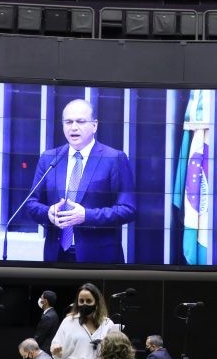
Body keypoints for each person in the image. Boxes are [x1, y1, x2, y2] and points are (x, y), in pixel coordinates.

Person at [26, 99, 137, 264]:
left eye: (80, 121)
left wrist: (86, 216)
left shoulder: (114, 158)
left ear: (95, 125)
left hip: (99, 258)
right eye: (68, 122)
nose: (74, 127)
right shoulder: (49, 158)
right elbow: (31, 204)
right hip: (56, 256)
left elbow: (128, 209)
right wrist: (48, 213)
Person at [50, 282, 119, 359]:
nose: (84, 304)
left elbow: (115, 351)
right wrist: (56, 350)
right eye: (81, 301)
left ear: (97, 303)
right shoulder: (68, 321)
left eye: (89, 301)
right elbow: (56, 347)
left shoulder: (107, 324)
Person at [34, 290, 60, 355]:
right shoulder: (53, 314)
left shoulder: (48, 317)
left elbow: (40, 336)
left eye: (41, 298)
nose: (39, 300)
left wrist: (32, 346)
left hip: (44, 351)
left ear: (45, 301)